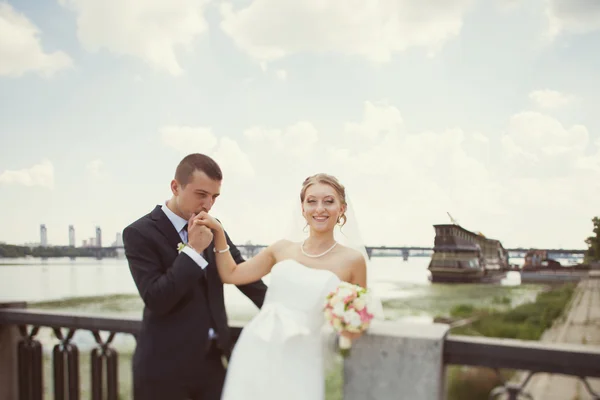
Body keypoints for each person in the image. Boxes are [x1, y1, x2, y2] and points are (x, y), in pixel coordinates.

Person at [193, 173, 368, 400]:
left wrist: (347, 324)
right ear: (302, 208)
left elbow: (357, 319)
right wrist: (218, 233)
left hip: (303, 359)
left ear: (342, 209)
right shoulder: (281, 249)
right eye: (311, 201)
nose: (319, 208)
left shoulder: (353, 261)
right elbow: (231, 274)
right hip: (256, 348)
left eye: (329, 201)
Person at [122, 153, 268, 400]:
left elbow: (242, 273)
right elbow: (157, 298)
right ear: (175, 186)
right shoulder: (139, 233)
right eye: (201, 194)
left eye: (214, 197)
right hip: (163, 369)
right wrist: (193, 250)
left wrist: (283, 310)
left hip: (213, 364)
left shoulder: (214, 225)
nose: (208, 205)